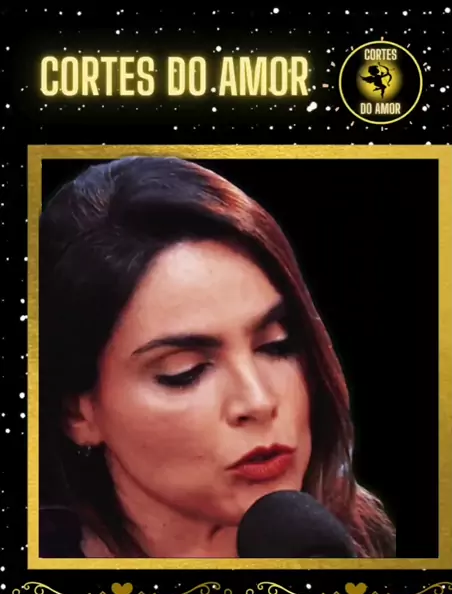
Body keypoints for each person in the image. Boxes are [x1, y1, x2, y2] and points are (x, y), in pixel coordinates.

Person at [38, 155, 395, 558]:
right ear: (77, 413)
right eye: (185, 372)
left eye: (276, 346)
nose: (258, 401)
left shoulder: (366, 549)